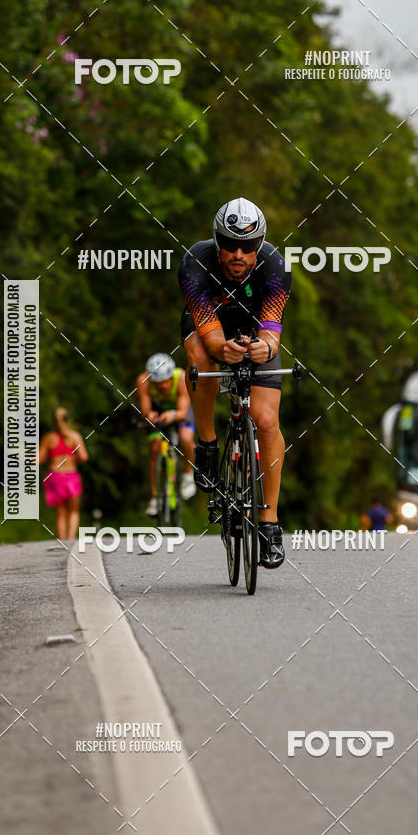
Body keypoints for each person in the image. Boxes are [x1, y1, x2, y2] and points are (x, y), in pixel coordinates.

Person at [178, 197, 291, 569]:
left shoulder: (275, 265)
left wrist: (266, 347)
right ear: (216, 240)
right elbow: (209, 337)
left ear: (260, 244)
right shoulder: (196, 261)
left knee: (266, 419)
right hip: (210, 331)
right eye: (229, 244)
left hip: (255, 333)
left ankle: (269, 522)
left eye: (247, 245)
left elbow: (273, 327)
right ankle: (207, 444)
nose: (238, 253)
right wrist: (220, 348)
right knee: (198, 354)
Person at [136, 353, 197, 517]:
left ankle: (188, 473)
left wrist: (173, 415)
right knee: (154, 448)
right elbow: (145, 410)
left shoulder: (181, 378)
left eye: (166, 381)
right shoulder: (144, 381)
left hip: (179, 411)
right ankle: (155, 497)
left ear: (171, 376)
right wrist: (149, 415)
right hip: (159, 412)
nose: (162, 386)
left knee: (185, 437)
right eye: (158, 382)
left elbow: (183, 412)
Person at [38, 407, 88, 540]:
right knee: (73, 511)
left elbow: (38, 459)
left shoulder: (49, 438)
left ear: (53, 422)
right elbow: (83, 457)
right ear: (68, 420)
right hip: (71, 477)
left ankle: (62, 540)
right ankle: (71, 537)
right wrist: (71, 458)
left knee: (61, 514)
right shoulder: (75, 437)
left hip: (55, 477)